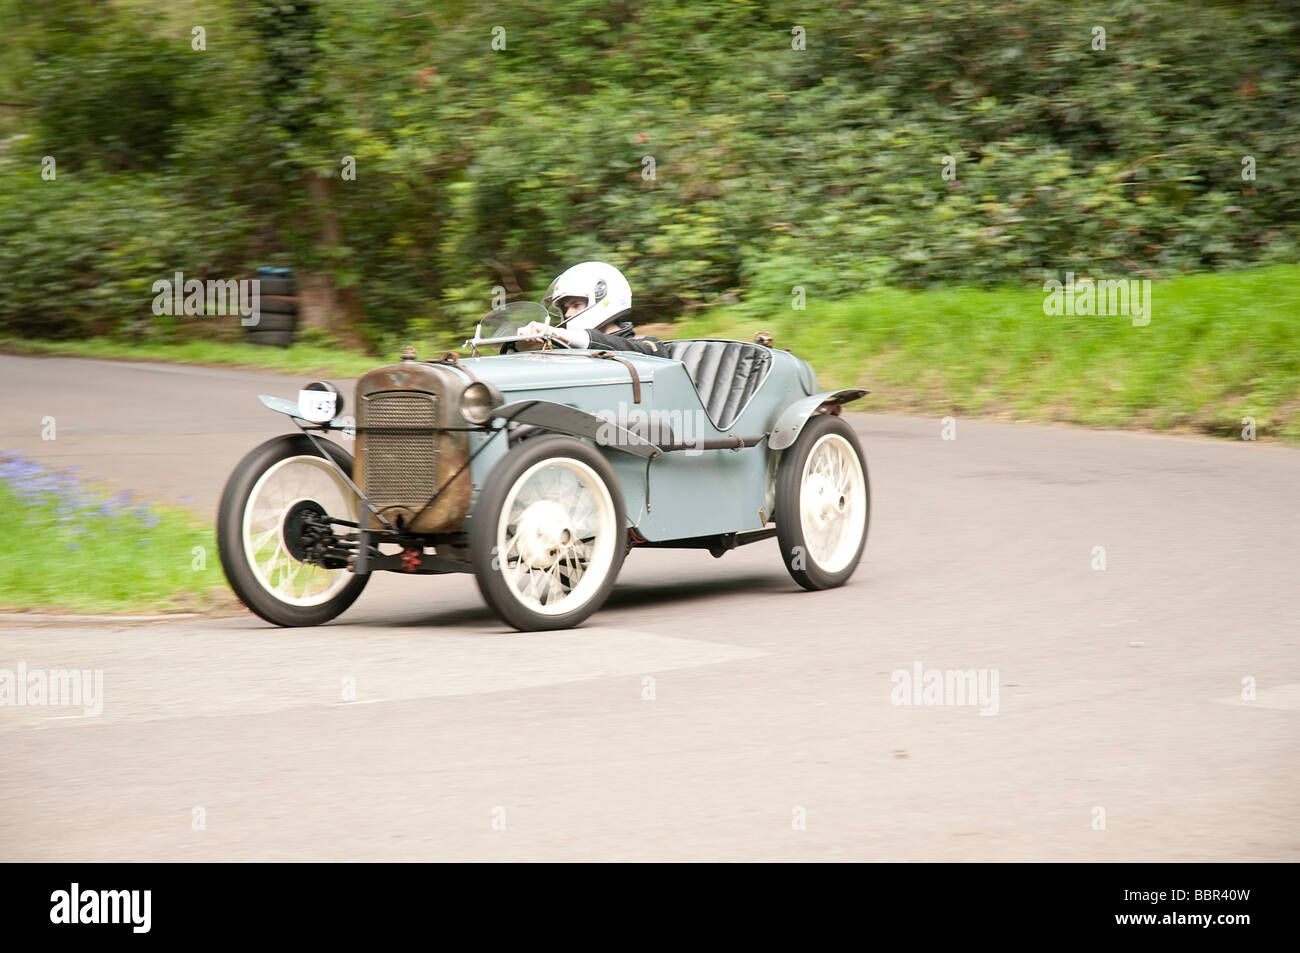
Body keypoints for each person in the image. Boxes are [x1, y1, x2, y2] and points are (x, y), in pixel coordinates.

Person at [517, 261, 664, 355]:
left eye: (576, 305)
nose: (568, 314)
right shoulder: (568, 352)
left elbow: (623, 348)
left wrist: (556, 333)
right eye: (565, 309)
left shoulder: (648, 346)